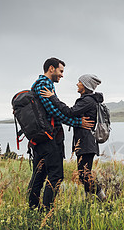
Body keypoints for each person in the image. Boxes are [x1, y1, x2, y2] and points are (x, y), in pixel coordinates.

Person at [28, 57, 94, 211]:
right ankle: (46, 212)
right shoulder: (44, 84)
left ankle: (33, 209)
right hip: (49, 138)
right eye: (61, 71)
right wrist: (78, 123)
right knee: (56, 176)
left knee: (39, 174)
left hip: (40, 137)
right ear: (51, 68)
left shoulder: (38, 85)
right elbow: (55, 112)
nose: (62, 75)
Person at [40, 74, 107, 201]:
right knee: (85, 174)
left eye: (80, 82)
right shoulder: (88, 100)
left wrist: (53, 98)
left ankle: (103, 198)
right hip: (86, 142)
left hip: (86, 143)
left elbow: (69, 112)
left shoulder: (87, 101)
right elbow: (72, 114)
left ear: (86, 85)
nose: (77, 84)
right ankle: (89, 201)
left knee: (84, 175)